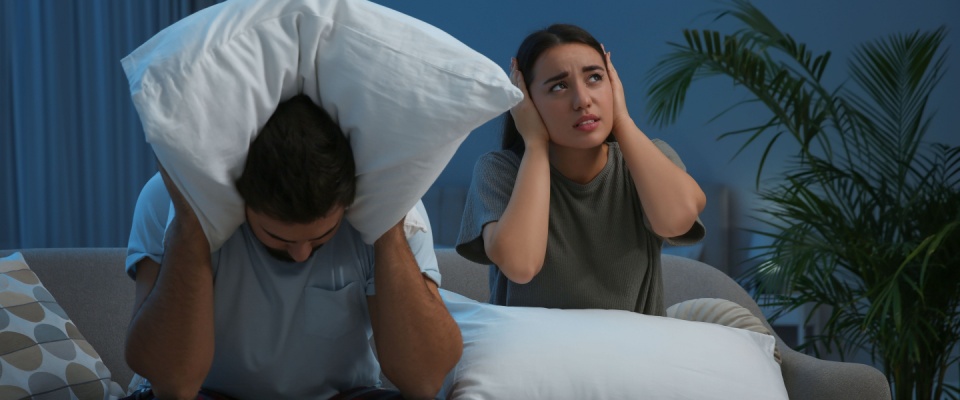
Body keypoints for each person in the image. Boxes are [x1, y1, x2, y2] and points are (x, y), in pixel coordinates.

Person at [124, 94, 462, 400]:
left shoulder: (394, 211)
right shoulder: (167, 200)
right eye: (279, 238)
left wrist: (387, 230)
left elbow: (424, 381)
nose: (301, 254)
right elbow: (174, 385)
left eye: (320, 238)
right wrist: (189, 227)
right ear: (241, 204)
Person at [456, 24, 706, 316]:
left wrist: (622, 120)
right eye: (559, 86)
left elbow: (675, 222)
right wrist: (535, 145)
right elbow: (521, 266)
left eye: (595, 78)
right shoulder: (499, 171)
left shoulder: (648, 160)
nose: (583, 100)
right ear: (527, 102)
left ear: (613, 84)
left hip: (634, 352)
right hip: (530, 354)